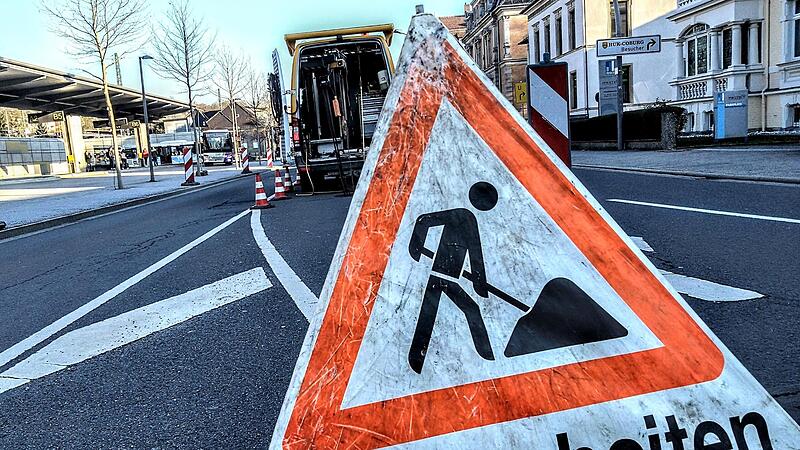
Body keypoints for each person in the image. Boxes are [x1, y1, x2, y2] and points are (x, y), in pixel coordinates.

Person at [406, 181, 499, 374]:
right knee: (465, 310)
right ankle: (489, 357)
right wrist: (415, 246)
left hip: (447, 279)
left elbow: (475, 256)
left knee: (432, 315)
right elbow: (424, 220)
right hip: (440, 277)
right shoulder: (463, 215)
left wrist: (479, 284)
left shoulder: (469, 219)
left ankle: (416, 358)